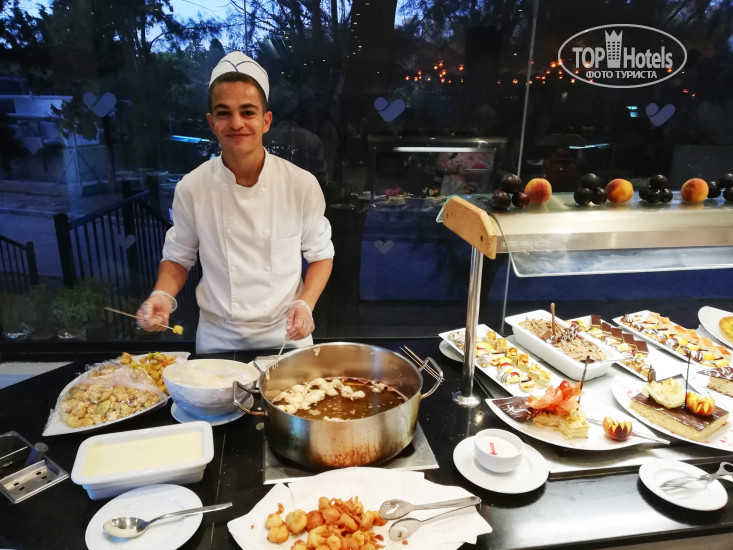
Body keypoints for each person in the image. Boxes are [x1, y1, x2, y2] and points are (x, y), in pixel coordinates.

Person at [136, 51, 334, 352]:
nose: (236, 122)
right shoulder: (192, 187)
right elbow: (178, 256)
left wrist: (305, 305)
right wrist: (161, 295)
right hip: (219, 339)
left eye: (248, 112)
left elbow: (320, 255)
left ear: (266, 121)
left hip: (287, 335)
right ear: (211, 122)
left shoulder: (300, 184)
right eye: (224, 113)